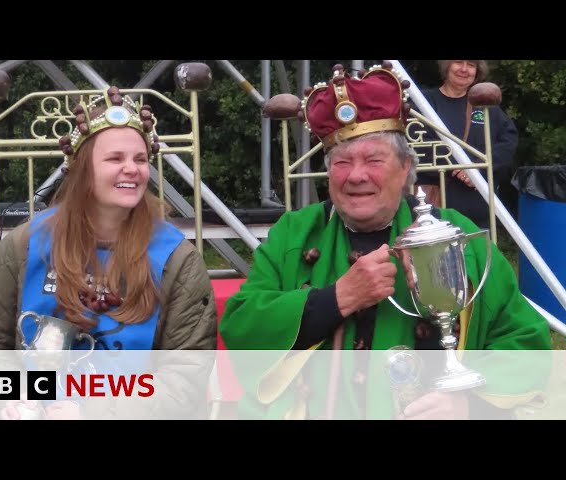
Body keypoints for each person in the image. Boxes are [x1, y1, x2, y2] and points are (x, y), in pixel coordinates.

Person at [219, 62, 551, 420]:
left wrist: (471, 403)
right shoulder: (295, 233)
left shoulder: (457, 236)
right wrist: (337, 298)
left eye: (374, 159)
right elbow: (242, 327)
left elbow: (526, 344)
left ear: (406, 167)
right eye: (342, 162)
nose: (357, 175)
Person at [0, 86, 217, 419]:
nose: (133, 169)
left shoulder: (177, 260)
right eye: (115, 158)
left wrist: (89, 409)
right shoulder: (26, 245)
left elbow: (186, 379)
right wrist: (10, 398)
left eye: (140, 159)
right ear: (83, 170)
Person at [416, 60, 519, 228]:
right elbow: (418, 144)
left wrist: (478, 167)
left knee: (481, 253)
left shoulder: (484, 105)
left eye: (471, 65)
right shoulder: (424, 102)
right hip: (437, 210)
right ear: (446, 66)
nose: (464, 69)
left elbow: (508, 140)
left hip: (479, 206)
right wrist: (462, 167)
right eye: (458, 62)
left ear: (477, 71)